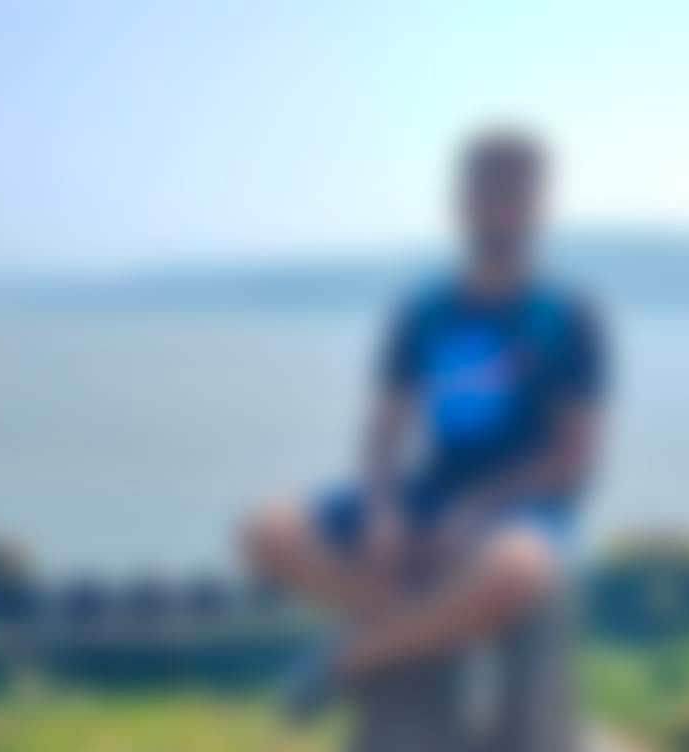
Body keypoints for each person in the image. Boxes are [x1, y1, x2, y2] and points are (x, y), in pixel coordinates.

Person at [241, 129, 608, 709]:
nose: (499, 210)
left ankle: (348, 658)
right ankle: (423, 629)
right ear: (460, 201)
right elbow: (384, 433)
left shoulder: (568, 317)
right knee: (266, 529)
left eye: (513, 194)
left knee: (516, 571)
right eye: (486, 192)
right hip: (431, 491)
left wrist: (480, 507)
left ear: (539, 206)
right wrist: (383, 508)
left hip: (524, 505)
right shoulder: (423, 310)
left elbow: (572, 458)